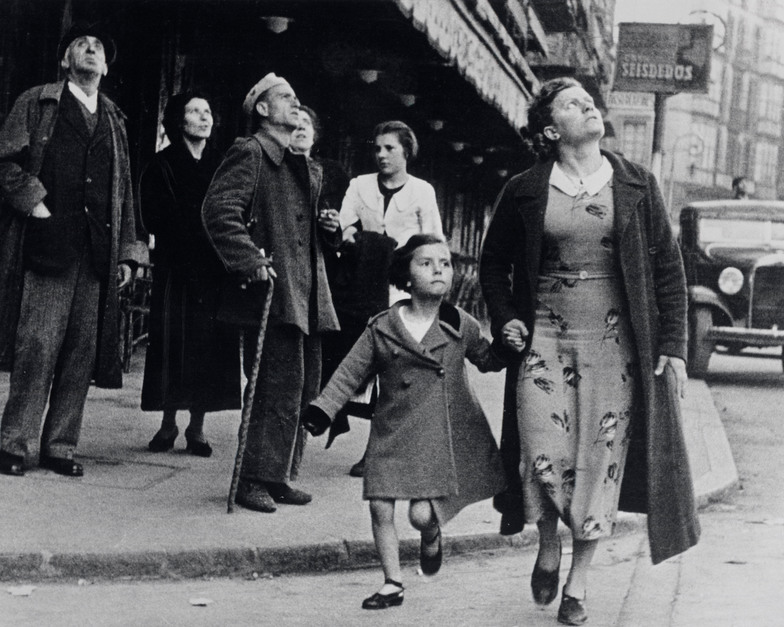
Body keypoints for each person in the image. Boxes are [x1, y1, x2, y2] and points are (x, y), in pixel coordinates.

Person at [479, 77, 700, 625]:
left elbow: (669, 271)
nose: (589, 105)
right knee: (541, 449)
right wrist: (506, 318)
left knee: (601, 460)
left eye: (590, 100)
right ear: (551, 129)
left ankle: (578, 583)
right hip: (544, 340)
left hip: (615, 346)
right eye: (572, 103)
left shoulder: (637, 184)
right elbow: (493, 263)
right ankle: (547, 542)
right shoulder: (526, 189)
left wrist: (673, 346)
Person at [303, 234, 506, 610]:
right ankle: (392, 583)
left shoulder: (460, 324)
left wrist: (508, 345)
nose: (438, 269)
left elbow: (487, 359)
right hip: (392, 429)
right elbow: (350, 372)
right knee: (380, 506)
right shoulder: (382, 326)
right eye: (426, 263)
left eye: (445, 263)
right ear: (406, 275)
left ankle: (431, 535)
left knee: (420, 514)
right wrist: (323, 408)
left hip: (436, 435)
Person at [0, 24, 147, 478]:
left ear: (106, 68)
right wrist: (36, 204)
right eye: (81, 45)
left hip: (97, 253)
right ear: (66, 61)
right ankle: (13, 442)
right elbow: (5, 162)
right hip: (48, 245)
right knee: (37, 345)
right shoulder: (38, 102)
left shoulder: (114, 119)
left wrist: (128, 252)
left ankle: (61, 445)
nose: (90, 49)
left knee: (81, 353)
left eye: (98, 47)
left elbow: (123, 191)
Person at [201, 73, 340, 513]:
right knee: (273, 389)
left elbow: (301, 230)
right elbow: (219, 210)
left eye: (297, 98)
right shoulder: (251, 152)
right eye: (285, 97)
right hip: (273, 292)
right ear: (262, 109)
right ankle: (252, 479)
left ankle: (278, 475)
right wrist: (249, 260)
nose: (296, 103)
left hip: (307, 294)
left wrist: (328, 229)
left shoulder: (300, 162)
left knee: (302, 387)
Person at [331, 120, 444, 476]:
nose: (381, 154)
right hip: (363, 285)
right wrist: (350, 236)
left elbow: (434, 240)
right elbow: (344, 226)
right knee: (359, 360)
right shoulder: (359, 185)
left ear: (406, 151)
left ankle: (376, 451)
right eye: (377, 148)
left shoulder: (422, 191)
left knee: (394, 370)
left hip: (401, 288)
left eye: (389, 148)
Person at [140, 92, 241, 457]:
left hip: (215, 269)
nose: (204, 117)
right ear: (179, 121)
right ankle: (168, 424)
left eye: (208, 111)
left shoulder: (222, 164)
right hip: (177, 268)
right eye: (195, 111)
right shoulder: (162, 164)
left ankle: (197, 428)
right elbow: (154, 216)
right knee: (173, 344)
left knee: (209, 346)